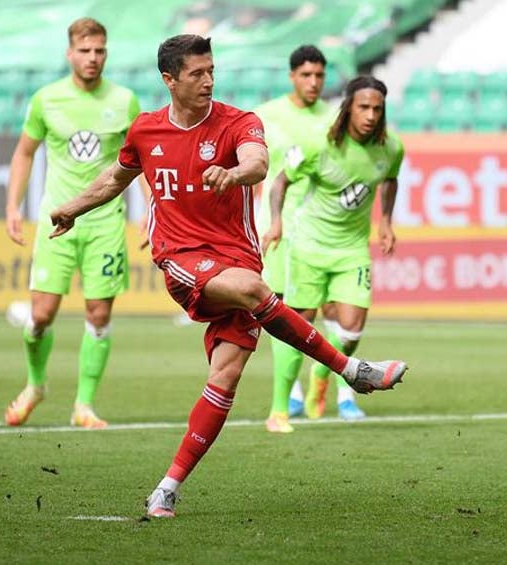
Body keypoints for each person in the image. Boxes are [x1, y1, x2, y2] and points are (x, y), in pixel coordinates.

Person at [46, 34, 408, 518]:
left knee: (227, 375)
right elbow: (116, 177)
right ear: (169, 79)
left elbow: (258, 164)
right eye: (196, 73)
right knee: (257, 291)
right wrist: (70, 208)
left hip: (238, 256)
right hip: (180, 256)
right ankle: (351, 371)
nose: (208, 80)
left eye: (212, 70)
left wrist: (234, 174)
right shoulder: (147, 131)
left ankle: (167, 488)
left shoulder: (240, 122)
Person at [3, 17, 143, 429]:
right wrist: (13, 206)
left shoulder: (124, 101)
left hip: (105, 222)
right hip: (57, 221)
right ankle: (35, 386)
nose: (92, 58)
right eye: (84, 51)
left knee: (99, 315)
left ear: (106, 53)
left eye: (99, 50)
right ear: (70, 53)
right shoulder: (47, 100)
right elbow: (24, 152)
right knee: (41, 316)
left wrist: (153, 210)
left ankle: (84, 405)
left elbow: (140, 160)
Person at [265, 75, 403, 425]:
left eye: (377, 109)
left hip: (352, 248)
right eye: (364, 107)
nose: (371, 115)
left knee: (352, 329)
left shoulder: (391, 149)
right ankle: (279, 409)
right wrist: (277, 222)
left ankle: (322, 375)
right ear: (348, 108)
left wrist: (385, 221)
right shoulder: (318, 143)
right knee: (296, 327)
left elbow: (390, 179)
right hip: (308, 245)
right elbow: (280, 182)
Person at [254, 45, 364, 433]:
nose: (314, 82)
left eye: (319, 75)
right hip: (278, 226)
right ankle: (291, 397)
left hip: (322, 228)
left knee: (338, 311)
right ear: (292, 77)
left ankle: (335, 387)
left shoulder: (334, 118)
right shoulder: (267, 116)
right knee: (284, 312)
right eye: (306, 75)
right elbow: (253, 168)